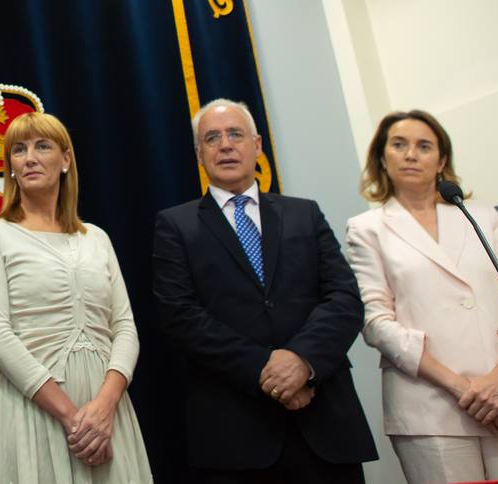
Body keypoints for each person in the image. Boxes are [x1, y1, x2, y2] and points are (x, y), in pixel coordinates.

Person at [151, 98, 377, 484]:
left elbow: (344, 298)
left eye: (235, 134)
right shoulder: (175, 225)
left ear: (257, 145)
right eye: (212, 138)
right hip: (235, 430)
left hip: (323, 419)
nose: (225, 145)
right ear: (199, 154)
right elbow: (181, 317)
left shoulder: (304, 213)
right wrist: (265, 370)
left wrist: (302, 363)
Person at [344, 110, 498, 484]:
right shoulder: (367, 229)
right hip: (431, 408)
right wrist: (465, 389)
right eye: (399, 145)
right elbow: (376, 324)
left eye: (424, 146)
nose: (411, 154)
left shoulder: (483, 218)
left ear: (441, 161)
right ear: (382, 159)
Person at [0, 111, 152, 484]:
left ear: (65, 160)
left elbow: (125, 328)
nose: (30, 157)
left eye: (43, 146)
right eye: (18, 150)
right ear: (11, 167)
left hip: (109, 415)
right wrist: (74, 419)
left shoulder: (97, 238)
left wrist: (104, 408)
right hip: (34, 413)